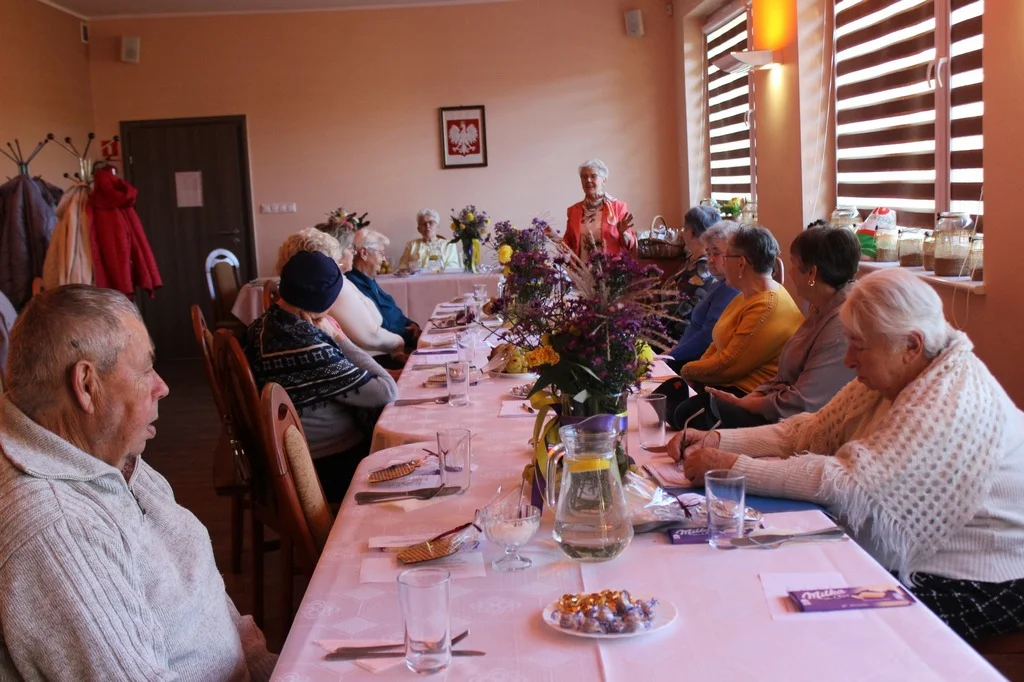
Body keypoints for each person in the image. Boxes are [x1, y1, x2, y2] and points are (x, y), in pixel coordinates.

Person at [669, 268, 1024, 641]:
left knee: (825, 631)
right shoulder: (902, 373)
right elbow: (809, 431)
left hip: (981, 578)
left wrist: (734, 467)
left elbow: (849, 481)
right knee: (768, 581)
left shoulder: (948, 398)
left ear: (912, 346)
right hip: (936, 564)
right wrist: (717, 442)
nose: (849, 359)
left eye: (860, 345)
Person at [0, 285, 276, 679]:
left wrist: (269, 666)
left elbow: (203, 595)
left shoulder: (106, 452)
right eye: (146, 369)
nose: (162, 386)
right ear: (87, 385)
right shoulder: (58, 529)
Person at [248, 251, 398, 502]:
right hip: (327, 465)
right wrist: (340, 337)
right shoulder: (305, 342)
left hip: (291, 453)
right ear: (322, 301)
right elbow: (386, 392)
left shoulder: (263, 325)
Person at [688, 225, 861, 428]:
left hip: (797, 422)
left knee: (697, 412)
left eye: (794, 265)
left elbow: (804, 402)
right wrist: (753, 397)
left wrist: (750, 403)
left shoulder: (842, 323)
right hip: (770, 402)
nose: (788, 272)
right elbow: (781, 378)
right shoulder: (820, 307)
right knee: (690, 406)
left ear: (812, 273)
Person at [662, 225, 804, 429]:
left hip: (748, 399)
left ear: (741, 263)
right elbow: (716, 343)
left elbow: (727, 365)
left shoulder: (767, 305)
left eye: (725, 256)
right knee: (665, 397)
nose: (717, 262)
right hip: (722, 387)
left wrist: (687, 371)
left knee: (678, 411)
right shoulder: (745, 294)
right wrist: (695, 376)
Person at [278, 228, 407, 364]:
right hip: (367, 361)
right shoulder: (332, 289)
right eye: (349, 248)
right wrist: (400, 342)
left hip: (364, 361)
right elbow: (369, 337)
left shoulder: (332, 285)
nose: (353, 252)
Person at [665, 220, 740, 371]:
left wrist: (673, 355)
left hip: (692, 364)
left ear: (733, 255)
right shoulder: (719, 283)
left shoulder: (730, 289)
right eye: (708, 253)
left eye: (717, 253)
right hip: (684, 355)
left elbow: (707, 337)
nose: (710, 259)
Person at [347, 229, 421, 350]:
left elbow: (393, 310)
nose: (384, 259)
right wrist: (410, 334)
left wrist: (412, 324)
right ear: (364, 253)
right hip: (395, 347)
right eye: (380, 253)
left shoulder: (369, 279)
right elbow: (380, 325)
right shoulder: (355, 284)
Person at [664, 206, 726, 343]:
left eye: (683, 228)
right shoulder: (693, 258)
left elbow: (678, 313)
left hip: (677, 337)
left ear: (691, 232)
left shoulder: (702, 268)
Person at [561, 159, 636, 258]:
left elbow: (629, 245)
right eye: (584, 177)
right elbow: (568, 243)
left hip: (611, 269)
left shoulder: (617, 207)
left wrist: (622, 233)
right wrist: (556, 240)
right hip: (582, 271)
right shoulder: (573, 211)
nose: (588, 180)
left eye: (593, 176)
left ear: (604, 179)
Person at [398, 209, 462, 271]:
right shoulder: (411, 245)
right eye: (423, 223)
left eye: (431, 223)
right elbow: (402, 267)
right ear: (418, 229)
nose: (427, 226)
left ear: (438, 227)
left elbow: (453, 268)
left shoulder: (449, 245)